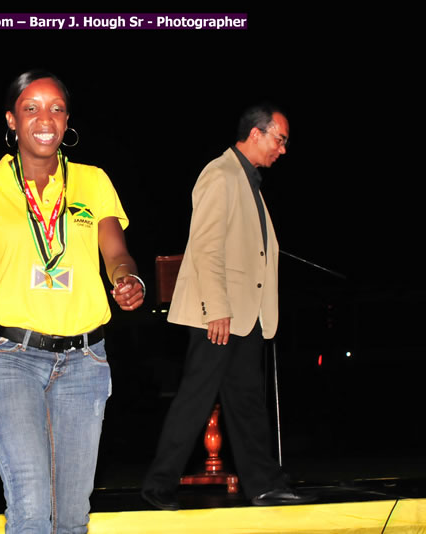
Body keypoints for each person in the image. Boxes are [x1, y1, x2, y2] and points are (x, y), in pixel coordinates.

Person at [0, 70, 144, 533]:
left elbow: (116, 251)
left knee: (71, 518)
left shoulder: (93, 182)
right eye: (30, 108)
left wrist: (127, 278)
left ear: (67, 119)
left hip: (85, 362)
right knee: (30, 508)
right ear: (11, 120)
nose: (44, 119)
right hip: (11, 359)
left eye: (55, 108)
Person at [141, 104, 315, 509]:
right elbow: (205, 247)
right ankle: (158, 486)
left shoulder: (247, 181)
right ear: (256, 133)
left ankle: (264, 483)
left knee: (246, 398)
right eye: (280, 139)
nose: (283, 149)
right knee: (196, 398)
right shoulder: (220, 174)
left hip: (243, 315)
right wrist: (216, 308)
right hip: (218, 314)